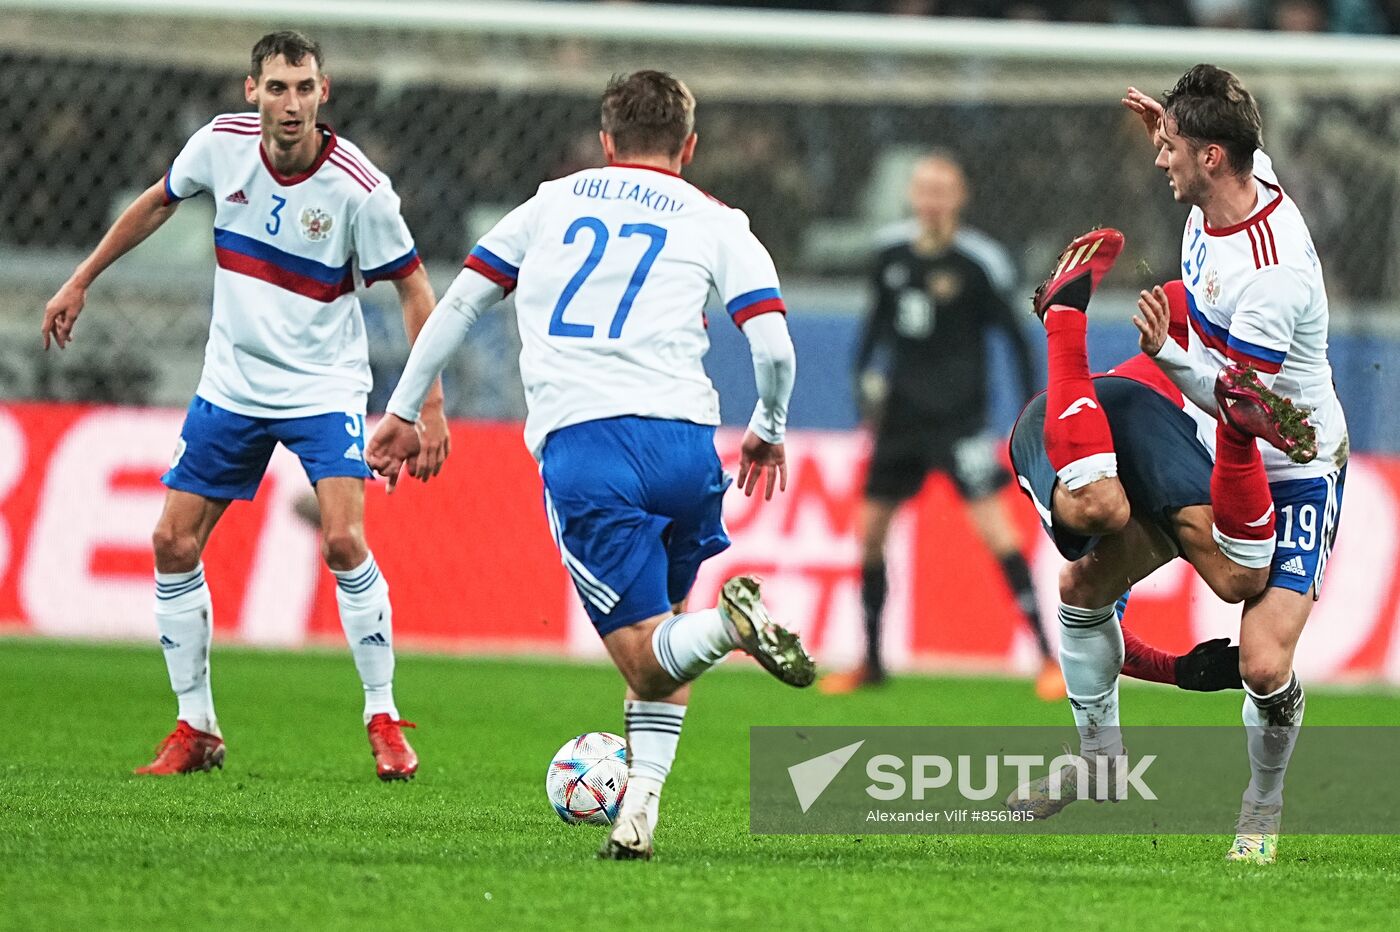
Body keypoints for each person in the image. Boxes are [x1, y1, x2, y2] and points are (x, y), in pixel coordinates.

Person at [366, 71, 814, 861]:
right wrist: (768, 429)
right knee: (665, 648)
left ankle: (733, 623)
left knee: (649, 653)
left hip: (589, 445)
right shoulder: (719, 220)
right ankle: (637, 816)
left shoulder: (552, 202)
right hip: (686, 444)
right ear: (690, 145)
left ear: (605, 141)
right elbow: (773, 344)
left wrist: (403, 409)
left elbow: (462, 305)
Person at [39, 31, 450, 781]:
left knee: (342, 543)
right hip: (232, 383)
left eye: (303, 88)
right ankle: (195, 726)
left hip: (324, 385)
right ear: (250, 91)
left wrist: (427, 404)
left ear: (324, 93)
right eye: (276, 88)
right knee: (171, 544)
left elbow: (415, 288)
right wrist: (81, 279)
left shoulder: (360, 188)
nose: (290, 104)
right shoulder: (219, 147)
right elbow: (157, 204)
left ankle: (384, 718)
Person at [1005, 224, 1317, 823]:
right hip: (1076, 415)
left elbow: (1099, 630)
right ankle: (1063, 322)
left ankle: (1099, 765)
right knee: (1101, 509)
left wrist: (1177, 671)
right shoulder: (1195, 304)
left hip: (1155, 436)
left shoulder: (1255, 404)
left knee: (1235, 578)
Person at [1122, 65, 1347, 864]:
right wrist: (1169, 119)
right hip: (1215, 446)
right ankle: (1124, 671)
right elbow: (1236, 116)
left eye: (1173, 149)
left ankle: (1264, 799)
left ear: (1213, 159)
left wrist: (1167, 352)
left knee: (1261, 663)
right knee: (1098, 552)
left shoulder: (1272, 277)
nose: (1161, 161)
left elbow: (1242, 407)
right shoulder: (1233, 176)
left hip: (1294, 462)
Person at [820, 153, 1064, 699]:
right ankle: (872, 661)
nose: (931, 200)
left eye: (942, 190)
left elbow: (1016, 338)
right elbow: (874, 327)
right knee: (871, 534)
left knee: (996, 532)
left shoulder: (980, 263)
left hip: (958, 422)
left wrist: (1030, 409)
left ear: (960, 197)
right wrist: (864, 382)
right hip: (900, 419)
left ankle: (1049, 658)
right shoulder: (889, 255)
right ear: (913, 196)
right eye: (923, 189)